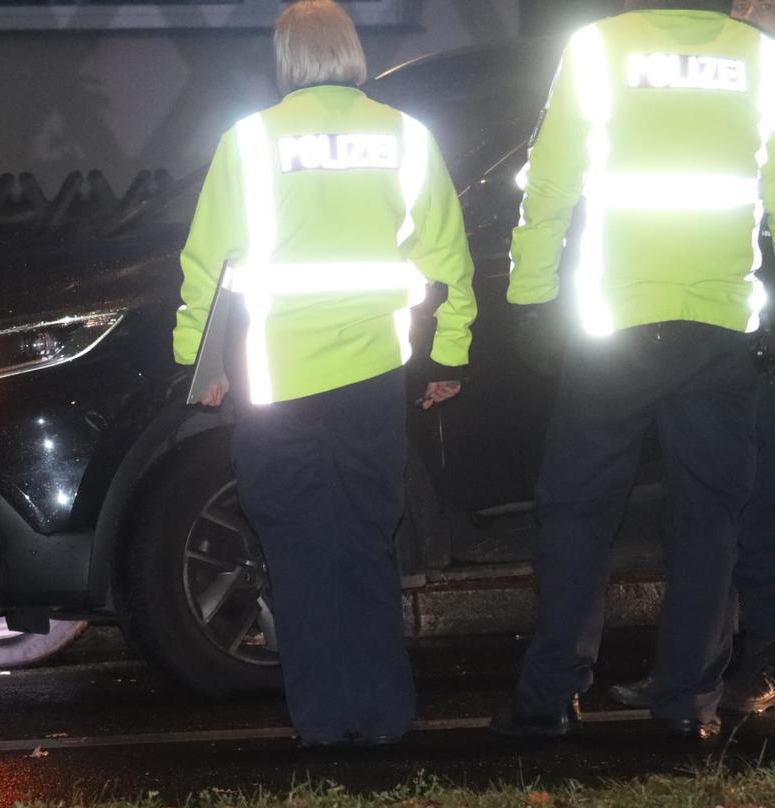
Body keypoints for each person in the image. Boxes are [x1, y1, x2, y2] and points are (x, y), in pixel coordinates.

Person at [174, 0, 476, 748]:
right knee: (367, 545)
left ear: (285, 59)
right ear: (352, 52)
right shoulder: (406, 139)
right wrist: (453, 353)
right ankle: (385, 718)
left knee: (300, 553)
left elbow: (205, 267)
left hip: (278, 384)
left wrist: (199, 362)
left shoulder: (249, 143)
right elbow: (451, 261)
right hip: (374, 375)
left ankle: (324, 724)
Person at [494, 0, 769, 743]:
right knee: (709, 522)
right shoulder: (758, 56)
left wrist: (530, 303)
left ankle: (551, 697)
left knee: (576, 515)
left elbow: (548, 187)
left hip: (613, 328)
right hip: (718, 327)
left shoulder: (597, 50)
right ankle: (687, 705)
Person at [601, 0, 775, 720]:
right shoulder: (739, 84)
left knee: (748, 514)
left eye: (756, 9)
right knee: (717, 512)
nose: (743, 15)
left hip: (749, 334)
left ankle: (743, 671)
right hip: (734, 329)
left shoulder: (756, 80)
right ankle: (706, 671)